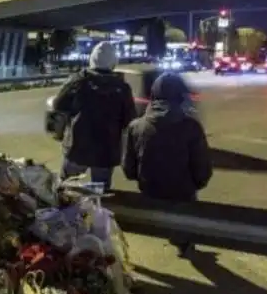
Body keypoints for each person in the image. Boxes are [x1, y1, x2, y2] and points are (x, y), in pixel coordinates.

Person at [122, 72, 213, 256]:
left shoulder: (136, 127)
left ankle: (179, 238)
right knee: (184, 204)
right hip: (182, 193)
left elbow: (129, 170)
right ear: (181, 97)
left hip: (150, 190)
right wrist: (196, 184)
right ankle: (183, 243)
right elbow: (202, 169)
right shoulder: (191, 127)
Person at [51, 41, 136, 190]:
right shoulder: (122, 88)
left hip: (77, 147)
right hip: (106, 152)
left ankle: (68, 212)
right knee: (100, 195)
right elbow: (129, 120)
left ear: (92, 59)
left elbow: (58, 105)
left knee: (67, 190)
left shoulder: (78, 81)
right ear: (113, 62)